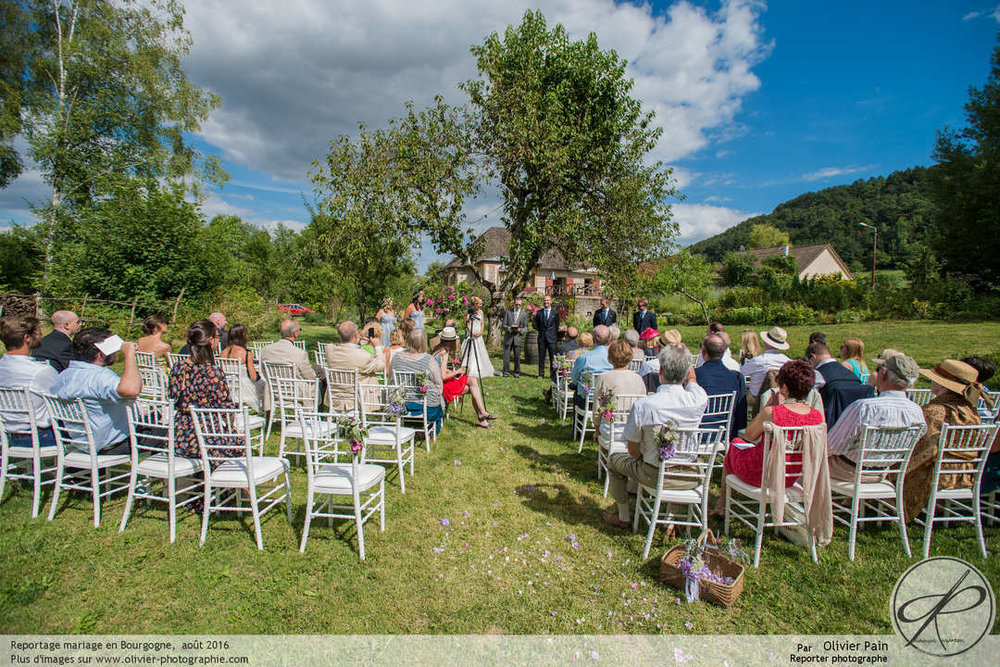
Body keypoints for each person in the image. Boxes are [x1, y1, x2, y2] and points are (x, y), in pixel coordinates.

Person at [601, 345, 708, 531]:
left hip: (655, 476)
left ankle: (624, 517)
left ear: (660, 370)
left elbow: (632, 450)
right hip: (692, 475)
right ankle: (671, 520)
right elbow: (694, 383)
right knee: (667, 460)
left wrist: (647, 455)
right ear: (686, 372)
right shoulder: (699, 400)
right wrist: (690, 375)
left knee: (613, 460)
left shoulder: (645, 405)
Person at [902, 359, 992, 522]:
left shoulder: (935, 412)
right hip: (963, 473)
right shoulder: (971, 411)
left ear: (944, 385)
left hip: (935, 475)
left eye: (934, 378)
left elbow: (923, 451)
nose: (931, 381)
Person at [722, 360, 825, 492]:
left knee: (735, 443)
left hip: (762, 473)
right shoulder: (816, 416)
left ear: (785, 388)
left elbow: (749, 435)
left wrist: (768, 406)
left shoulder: (772, 412)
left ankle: (722, 503)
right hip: (791, 475)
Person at [826, 353, 926, 482]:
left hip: (847, 471)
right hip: (883, 473)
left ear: (884, 374)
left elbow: (832, 445)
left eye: (878, 370)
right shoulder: (917, 412)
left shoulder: (865, 407)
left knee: (805, 461)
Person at [50, 328, 141, 455]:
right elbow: (131, 390)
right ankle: (152, 472)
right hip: (110, 443)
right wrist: (130, 355)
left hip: (81, 441)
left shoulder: (63, 376)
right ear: (101, 354)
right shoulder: (99, 377)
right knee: (165, 430)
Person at [169, 320, 242, 464]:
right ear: (210, 340)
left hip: (179, 436)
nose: (219, 339)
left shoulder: (178, 367)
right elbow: (227, 410)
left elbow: (172, 397)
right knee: (239, 443)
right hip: (208, 436)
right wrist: (232, 427)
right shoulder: (212, 372)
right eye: (217, 336)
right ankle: (233, 483)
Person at [0, 316, 59, 448]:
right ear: (27, 337)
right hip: (39, 437)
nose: (42, 335)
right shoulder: (41, 371)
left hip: (7, 435)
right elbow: (62, 400)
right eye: (38, 332)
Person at [432, 326, 496, 428]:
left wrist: (452, 372)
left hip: (437, 381)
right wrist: (457, 371)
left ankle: (482, 414)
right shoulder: (444, 352)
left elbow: (438, 369)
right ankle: (482, 416)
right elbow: (443, 376)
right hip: (442, 385)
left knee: (473, 381)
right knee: (473, 387)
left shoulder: (437, 349)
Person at [259, 319, 325, 410]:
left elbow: (264, 372)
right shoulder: (299, 353)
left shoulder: (265, 351)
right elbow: (310, 376)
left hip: (275, 390)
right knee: (319, 381)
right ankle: (316, 416)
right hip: (296, 392)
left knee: (318, 370)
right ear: (295, 333)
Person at [389, 328, 445, 435]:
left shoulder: (396, 358)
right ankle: (428, 432)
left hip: (402, 404)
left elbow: (391, 380)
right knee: (438, 403)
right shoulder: (429, 360)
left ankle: (411, 426)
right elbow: (439, 383)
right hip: (427, 406)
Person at [806, 342, 873, 426]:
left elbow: (809, 398)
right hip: (856, 424)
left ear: (813, 356)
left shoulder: (819, 374)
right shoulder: (851, 375)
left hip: (830, 425)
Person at [325, 321, 385, 413]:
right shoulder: (364, 356)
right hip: (358, 399)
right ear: (356, 335)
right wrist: (377, 347)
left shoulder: (330, 351)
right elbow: (381, 365)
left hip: (336, 396)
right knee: (370, 376)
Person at [591, 341, 646, 443]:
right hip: (633, 428)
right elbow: (643, 405)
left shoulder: (603, 377)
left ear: (610, 358)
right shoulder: (638, 378)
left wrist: (596, 429)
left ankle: (604, 456)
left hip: (611, 427)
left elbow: (597, 407)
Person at [695, 334, 747, 439]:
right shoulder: (736, 377)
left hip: (697, 433)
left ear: (703, 353)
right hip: (724, 434)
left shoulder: (694, 376)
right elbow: (741, 413)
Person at [219, 323, 264, 412]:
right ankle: (268, 416)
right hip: (244, 388)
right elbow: (253, 377)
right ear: (243, 336)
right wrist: (259, 374)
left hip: (229, 387)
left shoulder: (223, 353)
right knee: (266, 387)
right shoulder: (246, 353)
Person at [570, 325, 613, 410]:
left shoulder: (584, 358)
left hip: (588, 400)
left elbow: (574, 378)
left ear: (593, 340)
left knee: (576, 390)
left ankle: (578, 422)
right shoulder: (614, 357)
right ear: (609, 340)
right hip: (609, 399)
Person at [741, 327, 791, 398]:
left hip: (756, 399)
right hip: (780, 398)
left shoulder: (758, 361)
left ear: (766, 342)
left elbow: (740, 373)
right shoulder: (788, 362)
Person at [462, 296, 494, 378]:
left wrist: (481, 332)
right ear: (475, 304)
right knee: (470, 350)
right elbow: (468, 324)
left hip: (479, 334)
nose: (481, 305)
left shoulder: (481, 312)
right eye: (479, 304)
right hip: (471, 333)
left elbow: (482, 323)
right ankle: (468, 368)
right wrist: (472, 332)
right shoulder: (469, 312)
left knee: (480, 350)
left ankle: (481, 367)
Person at [501, 296, 529, 378]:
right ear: (514, 304)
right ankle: (506, 372)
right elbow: (503, 325)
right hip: (508, 337)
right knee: (506, 356)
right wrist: (508, 328)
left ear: (521, 305)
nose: (518, 306)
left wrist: (520, 330)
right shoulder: (508, 312)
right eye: (516, 305)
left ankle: (516, 372)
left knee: (517, 356)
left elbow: (526, 328)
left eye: (519, 305)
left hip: (517, 338)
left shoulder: (524, 314)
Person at [534, 294, 559, 379]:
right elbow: (537, 324)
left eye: (547, 300)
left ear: (551, 301)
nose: (546, 302)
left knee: (553, 357)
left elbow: (556, 326)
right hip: (542, 338)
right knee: (541, 357)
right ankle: (541, 374)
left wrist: (552, 335)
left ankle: (552, 374)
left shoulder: (555, 313)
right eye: (544, 300)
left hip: (551, 338)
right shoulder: (539, 313)